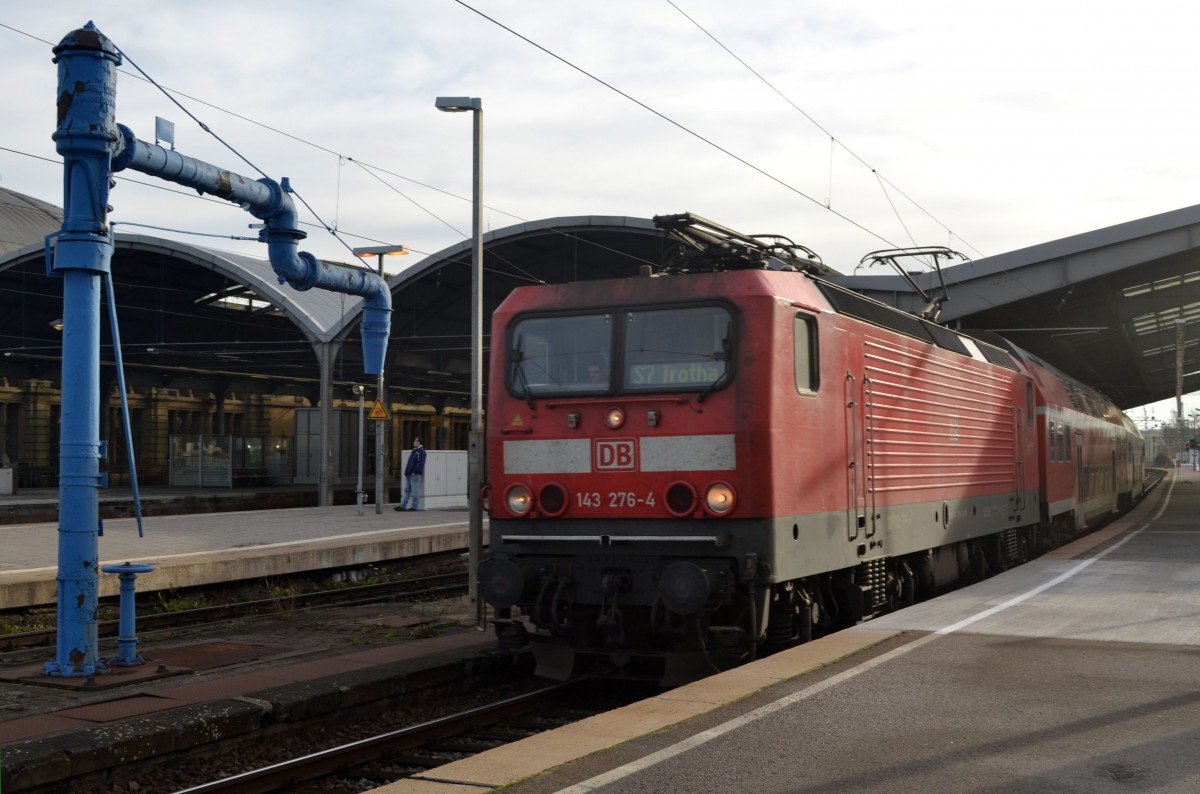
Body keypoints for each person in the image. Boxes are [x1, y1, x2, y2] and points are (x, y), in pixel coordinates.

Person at [394, 437, 427, 511]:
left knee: (414, 491)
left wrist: (414, 471)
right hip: (409, 473)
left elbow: (421, 463)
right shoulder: (415, 451)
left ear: (420, 443)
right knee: (407, 490)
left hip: (414, 474)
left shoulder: (421, 451)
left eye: (417, 441)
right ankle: (403, 506)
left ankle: (414, 507)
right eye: (415, 441)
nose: (415, 443)